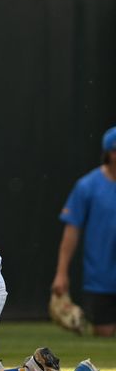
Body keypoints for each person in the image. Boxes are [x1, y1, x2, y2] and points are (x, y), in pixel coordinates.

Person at [52, 125, 116, 337]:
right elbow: (72, 231)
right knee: (104, 333)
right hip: (101, 277)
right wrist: (62, 273)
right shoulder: (87, 186)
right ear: (109, 153)